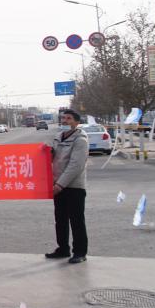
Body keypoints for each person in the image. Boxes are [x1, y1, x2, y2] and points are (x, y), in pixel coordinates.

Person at [46, 108, 90, 264]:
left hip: (74, 187)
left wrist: (60, 184)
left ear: (76, 122)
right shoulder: (58, 137)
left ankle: (80, 252)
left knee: (76, 221)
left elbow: (75, 165)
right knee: (60, 220)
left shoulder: (80, 140)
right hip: (58, 185)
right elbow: (53, 158)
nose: (65, 121)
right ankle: (63, 249)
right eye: (63, 118)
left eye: (69, 118)